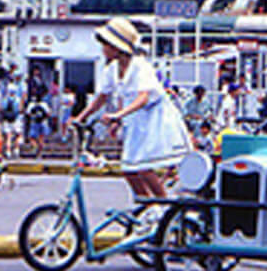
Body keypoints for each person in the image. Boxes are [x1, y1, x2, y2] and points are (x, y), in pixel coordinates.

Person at [73, 17, 191, 204]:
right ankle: (147, 206)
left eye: (106, 44)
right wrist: (81, 117)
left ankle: (164, 206)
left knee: (144, 167)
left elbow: (143, 97)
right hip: (135, 121)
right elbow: (102, 98)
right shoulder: (112, 70)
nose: (103, 48)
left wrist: (118, 115)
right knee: (129, 170)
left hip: (154, 120)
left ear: (116, 47)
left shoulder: (140, 67)